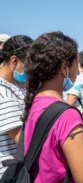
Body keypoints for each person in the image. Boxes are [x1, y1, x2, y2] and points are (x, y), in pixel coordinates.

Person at [23, 31, 83, 182]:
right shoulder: (66, 115)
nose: (78, 71)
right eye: (76, 64)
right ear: (64, 67)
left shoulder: (34, 101)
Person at [0, 35, 33, 177]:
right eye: (28, 64)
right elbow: (23, 141)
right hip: (9, 172)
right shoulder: (4, 94)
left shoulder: (14, 86)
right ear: (14, 60)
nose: (30, 70)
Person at [66, 50, 83, 115]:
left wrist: (61, 112)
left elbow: (73, 97)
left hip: (72, 113)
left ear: (78, 63)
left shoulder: (80, 78)